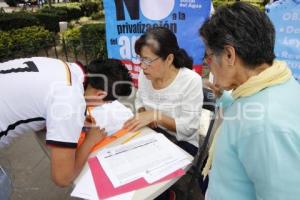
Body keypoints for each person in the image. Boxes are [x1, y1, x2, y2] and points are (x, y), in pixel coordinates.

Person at [199, 2, 300, 200]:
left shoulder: (264, 126)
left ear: (229, 55)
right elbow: (246, 107)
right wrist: (223, 97)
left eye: (208, 56)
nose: (206, 64)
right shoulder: (273, 83)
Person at [0, 57, 132, 187]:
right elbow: (62, 178)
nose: (100, 106)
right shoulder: (70, 101)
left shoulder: (62, 66)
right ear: (100, 95)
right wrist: (90, 140)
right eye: (106, 103)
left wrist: (70, 122)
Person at [123, 27, 203, 157]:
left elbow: (189, 129)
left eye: (148, 60)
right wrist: (144, 114)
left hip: (180, 142)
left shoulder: (191, 80)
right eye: (141, 59)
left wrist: (155, 116)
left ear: (169, 59)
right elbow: (140, 100)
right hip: (151, 134)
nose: (142, 66)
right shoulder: (145, 74)